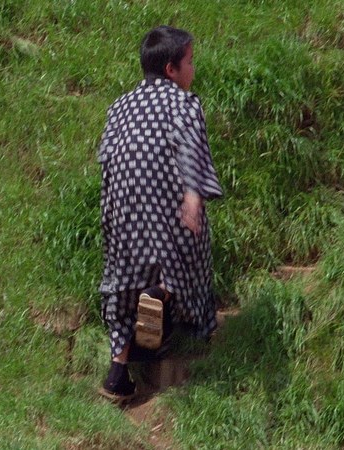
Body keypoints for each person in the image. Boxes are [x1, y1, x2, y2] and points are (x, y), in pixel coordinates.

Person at [97, 25, 223, 402]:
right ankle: (166, 298)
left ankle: (118, 373)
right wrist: (193, 196)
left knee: (124, 280)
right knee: (187, 258)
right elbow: (190, 149)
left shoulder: (120, 106)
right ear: (171, 69)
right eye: (190, 61)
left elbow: (106, 156)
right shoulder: (184, 103)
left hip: (121, 203)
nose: (193, 69)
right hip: (166, 196)